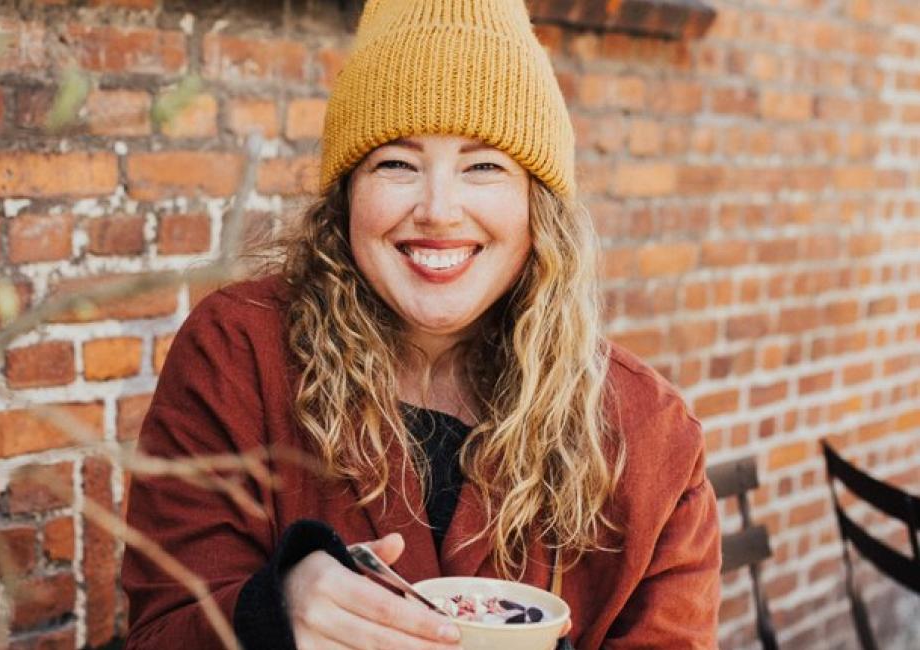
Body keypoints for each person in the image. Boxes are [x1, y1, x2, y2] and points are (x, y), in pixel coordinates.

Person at [121, 0, 721, 648]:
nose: (438, 209)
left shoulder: (649, 437)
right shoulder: (238, 356)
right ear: (348, 194)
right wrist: (272, 613)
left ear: (537, 202)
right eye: (396, 163)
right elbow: (162, 627)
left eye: (484, 165)